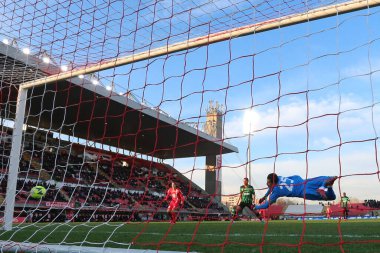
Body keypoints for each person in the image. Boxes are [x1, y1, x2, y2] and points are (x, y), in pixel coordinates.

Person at [254, 173, 337, 211]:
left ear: (273, 183)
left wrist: (256, 207)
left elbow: (265, 206)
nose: (267, 183)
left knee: (331, 197)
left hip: (304, 192)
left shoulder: (276, 191)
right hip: (303, 181)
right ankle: (325, 185)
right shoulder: (279, 177)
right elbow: (270, 188)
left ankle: (326, 187)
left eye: (268, 182)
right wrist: (264, 196)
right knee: (325, 179)